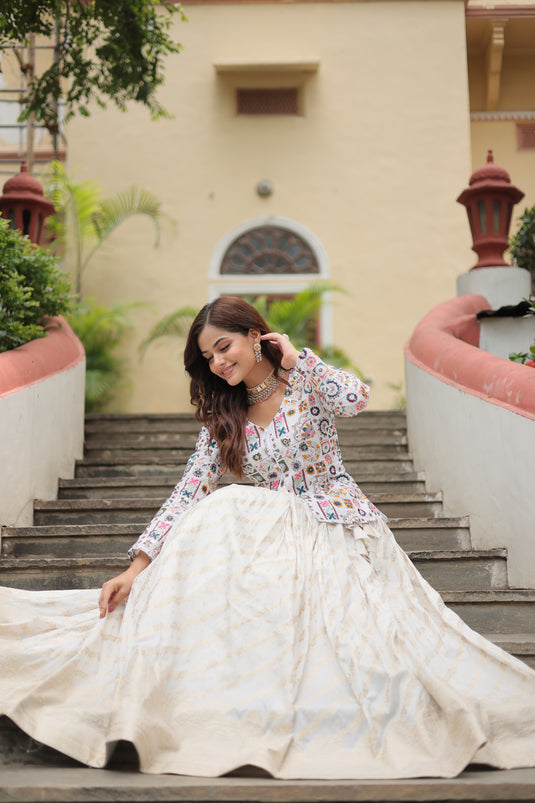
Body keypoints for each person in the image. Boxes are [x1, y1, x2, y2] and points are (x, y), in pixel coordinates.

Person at [1, 295, 535, 779]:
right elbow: (189, 487)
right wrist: (137, 567)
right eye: (208, 357)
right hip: (274, 541)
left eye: (223, 347)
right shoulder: (223, 412)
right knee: (220, 504)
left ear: (256, 336)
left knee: (242, 514)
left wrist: (299, 359)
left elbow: (356, 399)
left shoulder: (305, 381)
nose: (217, 363)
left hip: (334, 523)